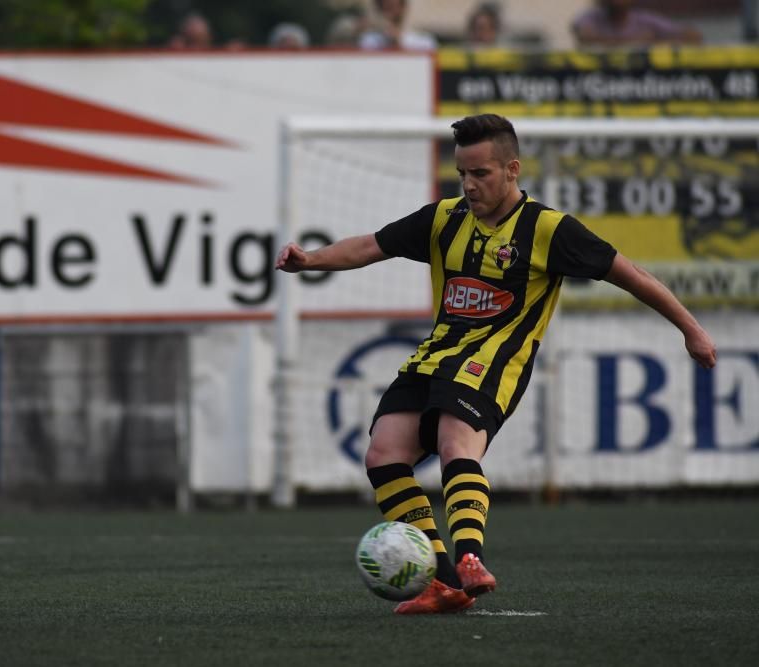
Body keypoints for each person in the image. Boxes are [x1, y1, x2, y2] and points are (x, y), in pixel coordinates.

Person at [275, 114, 716, 614]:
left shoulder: (549, 230)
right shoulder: (444, 218)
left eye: (480, 173)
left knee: (452, 442)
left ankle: (469, 559)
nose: (468, 184)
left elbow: (629, 274)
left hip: (494, 362)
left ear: (512, 170)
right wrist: (310, 260)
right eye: (462, 173)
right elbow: (371, 246)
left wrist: (691, 328)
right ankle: (442, 584)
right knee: (383, 455)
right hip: (435, 355)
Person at [572, 0, 701, 46]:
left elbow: (693, 36)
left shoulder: (645, 19)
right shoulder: (593, 16)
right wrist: (641, 41)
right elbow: (584, 37)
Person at [359, 0, 436, 51]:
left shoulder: (424, 41)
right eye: (383, 6)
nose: (388, 13)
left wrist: (397, 40)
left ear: (403, 7)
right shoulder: (369, 40)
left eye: (392, 6)